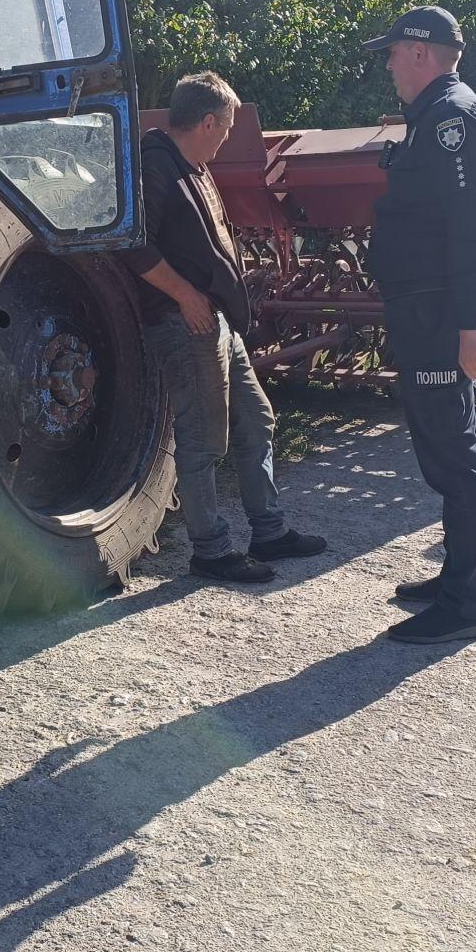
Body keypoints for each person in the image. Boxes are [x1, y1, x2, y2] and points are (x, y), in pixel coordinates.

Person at [123, 72, 328, 583]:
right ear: (208, 120)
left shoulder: (193, 167)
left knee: (257, 419)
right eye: (227, 126)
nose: (227, 137)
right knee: (203, 439)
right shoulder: (156, 168)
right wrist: (186, 295)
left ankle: (269, 531)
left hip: (217, 323)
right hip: (184, 322)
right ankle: (211, 550)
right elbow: (133, 245)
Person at [363, 6, 476, 645]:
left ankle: (466, 605)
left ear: (421, 52)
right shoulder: (436, 115)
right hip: (424, 305)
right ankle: (456, 575)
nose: (389, 63)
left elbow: (473, 228)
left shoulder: (451, 119)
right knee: (444, 445)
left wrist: (471, 324)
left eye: (393, 51)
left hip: (440, 310)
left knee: (455, 451)